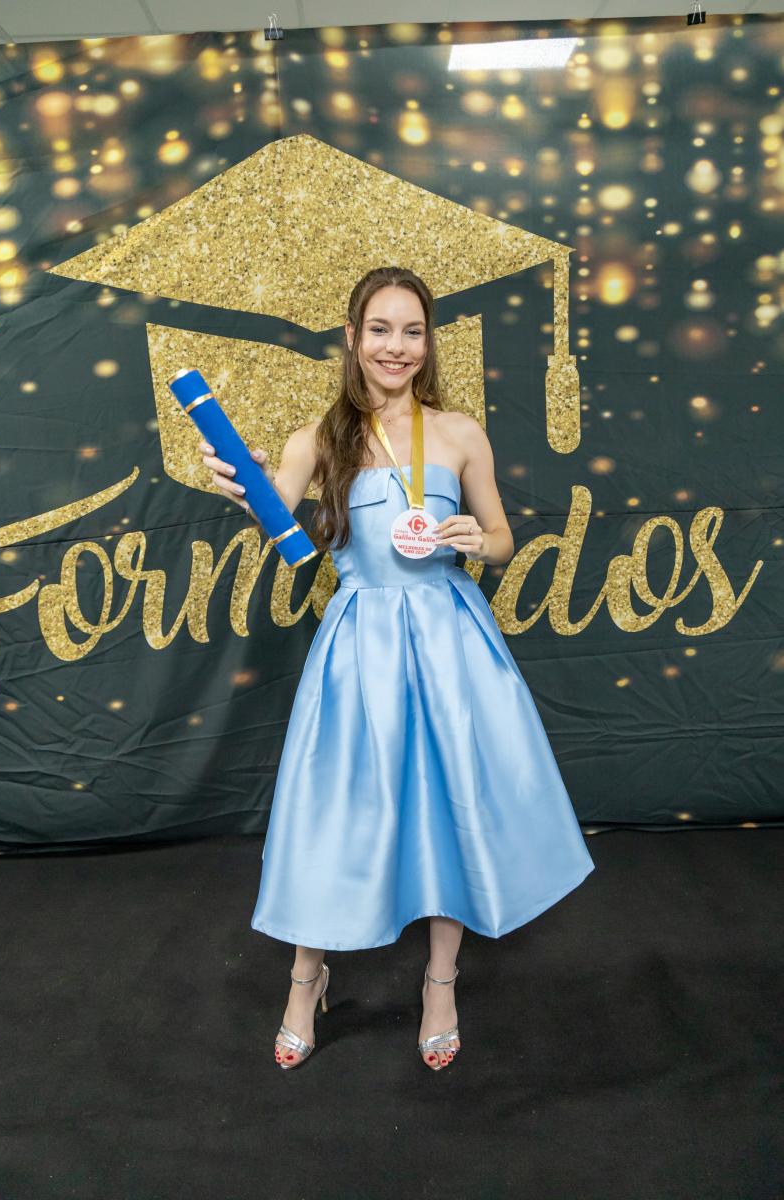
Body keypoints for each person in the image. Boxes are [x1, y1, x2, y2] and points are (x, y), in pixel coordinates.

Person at [200, 265, 595, 1073]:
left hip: (451, 641)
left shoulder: (459, 433)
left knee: (454, 804)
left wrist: (476, 542)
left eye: (412, 331)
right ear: (352, 337)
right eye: (379, 329)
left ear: (427, 340)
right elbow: (278, 521)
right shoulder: (319, 439)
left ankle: (440, 982)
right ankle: (305, 979)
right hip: (361, 646)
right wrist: (244, 491)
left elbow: (500, 538)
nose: (396, 346)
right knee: (334, 811)